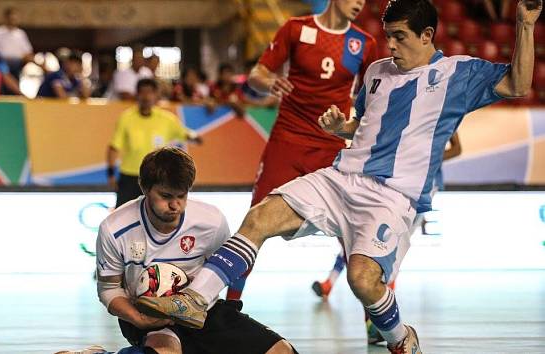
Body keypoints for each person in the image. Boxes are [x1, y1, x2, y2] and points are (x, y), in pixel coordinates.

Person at [135, 1, 541, 354]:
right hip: (340, 179)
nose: (390, 46)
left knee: (362, 281)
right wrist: (341, 128)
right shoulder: (379, 71)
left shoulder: (459, 74)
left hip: (390, 197)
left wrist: (523, 24)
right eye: (387, 36)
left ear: (427, 35)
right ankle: (195, 298)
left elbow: (519, 84)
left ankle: (400, 338)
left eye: (399, 37)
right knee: (260, 216)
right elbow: (366, 124)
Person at [66, 147, 297, 354]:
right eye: (166, 196)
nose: (176, 205)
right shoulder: (115, 228)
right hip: (147, 313)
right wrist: (137, 318)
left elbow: (227, 270)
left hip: (203, 312)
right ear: (145, 188)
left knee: (282, 350)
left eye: (182, 195)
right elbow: (109, 289)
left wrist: (231, 305)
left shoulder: (211, 221)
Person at [226, 0, 378, 300]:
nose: (359, 3)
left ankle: (372, 319)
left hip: (329, 146)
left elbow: (369, 100)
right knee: (254, 220)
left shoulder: (364, 43)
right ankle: (229, 307)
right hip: (287, 140)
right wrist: (268, 81)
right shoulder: (297, 29)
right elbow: (257, 74)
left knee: (352, 233)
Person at [311, 132, 462, 345]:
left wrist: (425, 158)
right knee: (368, 242)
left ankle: (381, 320)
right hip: (393, 182)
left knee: (390, 247)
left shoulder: (444, 109)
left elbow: (457, 149)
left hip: (423, 188)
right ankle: (373, 318)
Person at [107, 78, 202, 208]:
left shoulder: (166, 119)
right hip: (130, 176)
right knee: (122, 215)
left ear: (156, 95)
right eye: (142, 92)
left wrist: (195, 136)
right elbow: (114, 147)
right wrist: (111, 174)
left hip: (157, 177)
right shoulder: (126, 118)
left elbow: (185, 133)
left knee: (156, 216)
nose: (146, 96)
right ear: (137, 94)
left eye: (150, 92)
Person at [0, 7, 34, 94]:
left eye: (15, 18)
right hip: (1, 63)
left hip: (17, 64)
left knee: (14, 88)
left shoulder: (20, 34)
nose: (13, 20)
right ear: (6, 18)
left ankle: (17, 94)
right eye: (11, 18)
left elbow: (28, 52)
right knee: (2, 89)